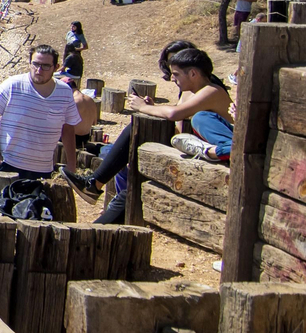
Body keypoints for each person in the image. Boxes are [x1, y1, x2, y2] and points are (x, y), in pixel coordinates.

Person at [71, 43, 233, 221]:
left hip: (220, 156)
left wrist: (142, 108)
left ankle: (94, 184)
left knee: (135, 173)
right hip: (197, 152)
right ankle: (95, 193)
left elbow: (173, 114)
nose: (172, 78)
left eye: (176, 73)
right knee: (133, 187)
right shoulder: (193, 92)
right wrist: (152, 108)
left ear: (193, 74)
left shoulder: (211, 91)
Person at [0, 44, 82, 180]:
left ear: (56, 67)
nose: (39, 70)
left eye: (45, 66)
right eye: (35, 64)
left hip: (43, 169)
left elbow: (68, 128)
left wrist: (71, 164)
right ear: (29, 63)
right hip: (8, 165)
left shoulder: (64, 92)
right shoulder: (13, 85)